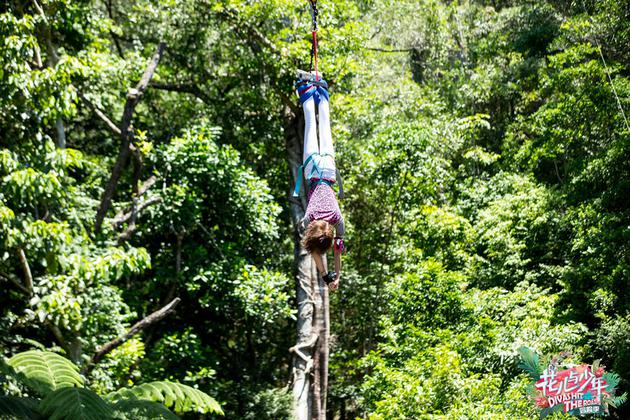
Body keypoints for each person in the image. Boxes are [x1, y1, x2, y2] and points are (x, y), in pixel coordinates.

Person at [294, 74, 345, 291]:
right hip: (313, 169)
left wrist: (336, 275)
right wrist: (326, 275)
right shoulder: (309, 219)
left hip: (328, 168)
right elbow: (315, 249)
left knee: (324, 127)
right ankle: (306, 92)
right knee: (310, 126)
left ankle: (322, 92)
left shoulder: (336, 219)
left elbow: (336, 249)